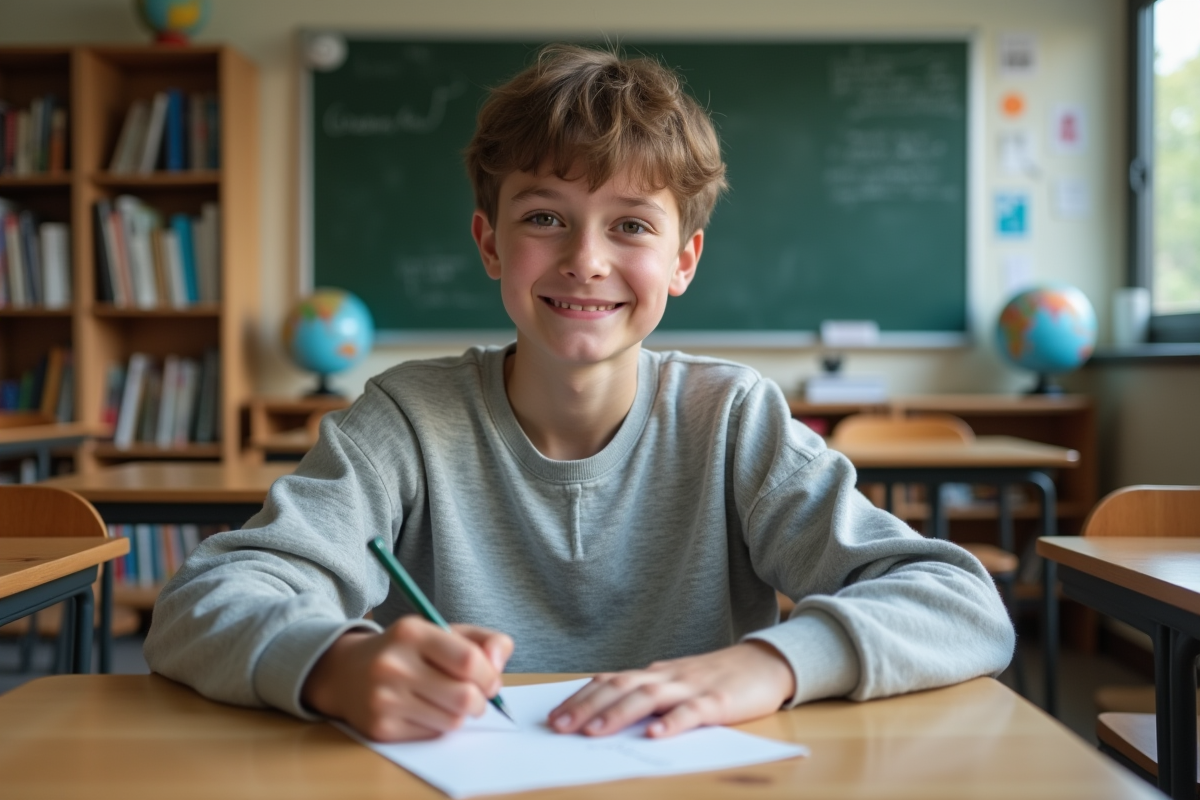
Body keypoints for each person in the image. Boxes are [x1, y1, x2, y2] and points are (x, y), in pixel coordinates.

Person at [145, 44, 1013, 743]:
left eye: (631, 224)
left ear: (684, 261)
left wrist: (769, 665)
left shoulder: (731, 419)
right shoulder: (406, 420)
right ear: (490, 243)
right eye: (544, 216)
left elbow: (961, 604)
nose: (586, 259)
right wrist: (333, 663)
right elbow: (199, 604)